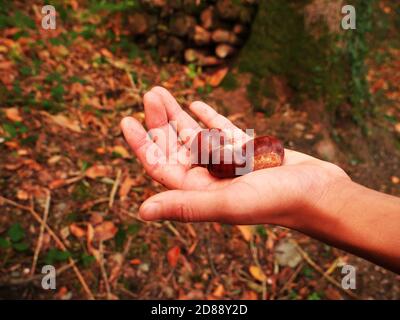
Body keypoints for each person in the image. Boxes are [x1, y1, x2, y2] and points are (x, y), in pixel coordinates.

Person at [120, 86, 400, 274]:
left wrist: (324, 193)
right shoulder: (225, 159)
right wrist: (327, 194)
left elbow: (247, 157)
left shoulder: (233, 159)